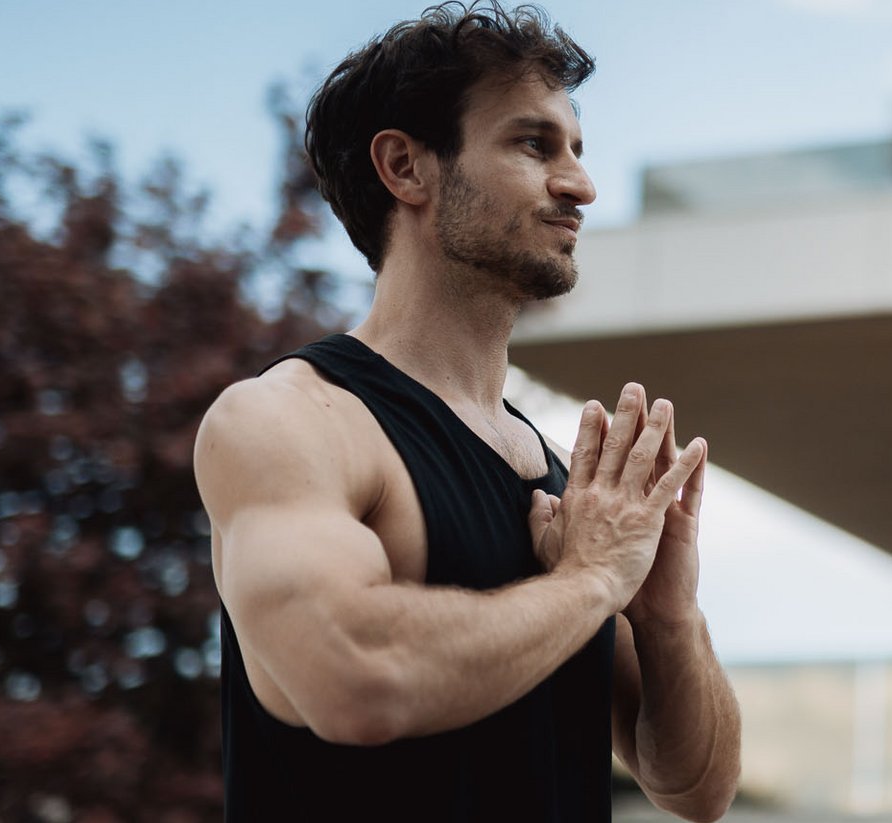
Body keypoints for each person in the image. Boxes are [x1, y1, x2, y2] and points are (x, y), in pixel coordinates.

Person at [192, 3, 739, 820]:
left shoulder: (562, 480)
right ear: (406, 167)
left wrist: (666, 615)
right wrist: (592, 578)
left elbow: (696, 789)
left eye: (578, 151)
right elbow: (356, 679)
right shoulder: (288, 420)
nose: (581, 185)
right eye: (533, 144)